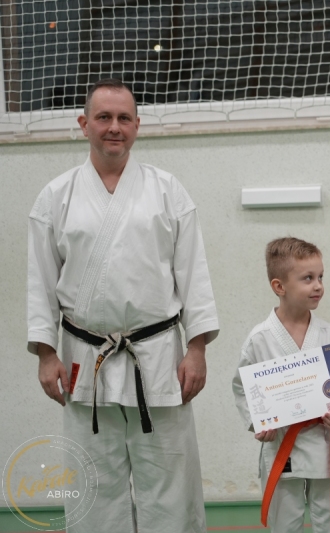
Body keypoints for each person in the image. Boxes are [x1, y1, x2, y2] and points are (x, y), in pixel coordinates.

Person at [27, 78, 219, 533]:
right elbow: (40, 281)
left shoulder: (168, 190)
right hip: (84, 357)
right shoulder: (55, 196)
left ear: (137, 125)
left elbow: (194, 275)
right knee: (93, 480)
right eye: (104, 117)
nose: (114, 127)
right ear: (84, 124)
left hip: (159, 357)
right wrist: (46, 354)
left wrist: (196, 349)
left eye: (124, 118)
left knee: (170, 482)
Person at [233, 237, 330, 533]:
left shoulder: (329, 334)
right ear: (279, 286)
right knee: (284, 525)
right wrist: (258, 422)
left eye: (320, 277)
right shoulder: (260, 339)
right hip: (281, 444)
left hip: (325, 441)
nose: (318, 286)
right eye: (308, 278)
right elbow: (243, 388)